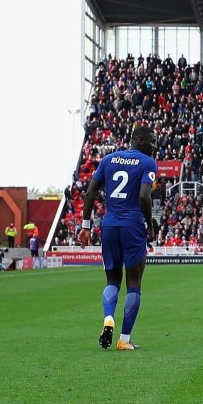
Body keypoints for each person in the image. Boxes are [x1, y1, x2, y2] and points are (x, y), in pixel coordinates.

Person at [78, 125, 157, 351]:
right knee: (134, 284)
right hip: (132, 226)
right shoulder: (147, 162)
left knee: (112, 281)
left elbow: (90, 191)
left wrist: (85, 226)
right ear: (140, 141)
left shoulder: (108, 159)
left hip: (109, 225)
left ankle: (108, 318)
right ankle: (124, 339)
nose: (155, 145)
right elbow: (144, 195)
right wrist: (149, 225)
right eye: (152, 141)